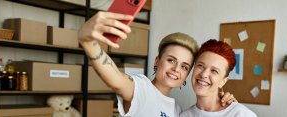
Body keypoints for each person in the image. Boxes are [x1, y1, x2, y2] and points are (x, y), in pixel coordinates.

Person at [78, 12, 236, 117]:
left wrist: (223, 101)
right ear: (157, 60)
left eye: (184, 66)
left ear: (187, 74)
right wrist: (88, 42)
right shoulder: (141, 88)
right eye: (171, 60)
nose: (175, 69)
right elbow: (116, 79)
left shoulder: (178, 111)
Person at [180, 40, 257, 117]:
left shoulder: (241, 114)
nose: (204, 74)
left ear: (223, 81)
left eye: (214, 71)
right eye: (200, 66)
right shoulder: (184, 115)